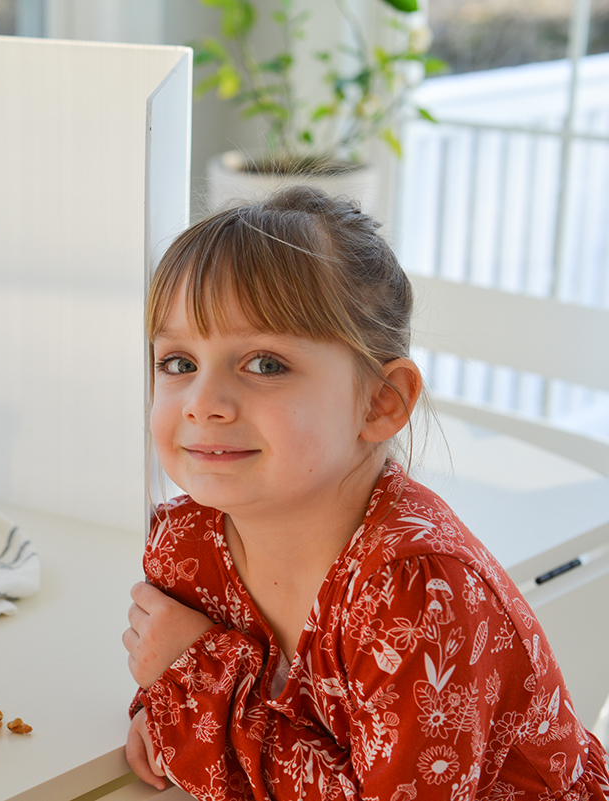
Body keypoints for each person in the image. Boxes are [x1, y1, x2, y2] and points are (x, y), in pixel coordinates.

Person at [122, 185, 609, 800]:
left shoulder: (420, 598)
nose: (203, 404)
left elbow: (196, 675)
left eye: (265, 363)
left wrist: (192, 676)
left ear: (381, 402)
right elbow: (179, 684)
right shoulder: (188, 542)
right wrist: (165, 698)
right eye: (178, 362)